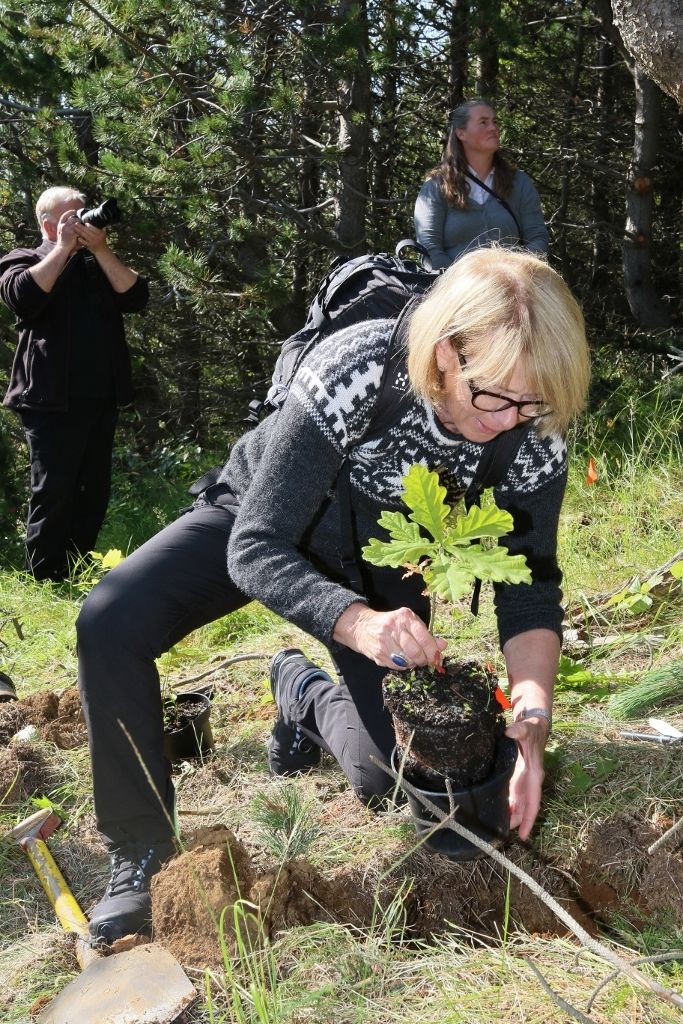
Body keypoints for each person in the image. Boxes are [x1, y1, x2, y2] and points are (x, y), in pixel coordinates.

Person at [76, 247, 590, 943]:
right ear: (446, 354)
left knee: (391, 774)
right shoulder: (358, 369)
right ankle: (139, 850)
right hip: (263, 517)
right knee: (110, 620)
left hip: (379, 559)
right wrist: (355, 625)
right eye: (494, 397)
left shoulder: (533, 431)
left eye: (530, 403)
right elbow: (255, 548)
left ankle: (303, 695)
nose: (509, 420)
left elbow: (529, 590)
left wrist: (531, 720)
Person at [0, 186, 149, 581]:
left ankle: (77, 570)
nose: (82, 223)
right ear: (48, 224)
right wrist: (63, 248)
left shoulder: (96, 264)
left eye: (84, 214)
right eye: (72, 217)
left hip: (100, 397)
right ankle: (44, 577)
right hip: (48, 399)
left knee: (93, 490)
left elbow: (136, 297)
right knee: (54, 490)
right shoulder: (24, 259)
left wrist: (101, 250)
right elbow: (22, 297)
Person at [414, 100, 549, 269]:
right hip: (455, 283)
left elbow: (537, 238)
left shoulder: (519, 183)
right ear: (461, 133)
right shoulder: (435, 187)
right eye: (483, 122)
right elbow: (429, 248)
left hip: (513, 281)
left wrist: (519, 274)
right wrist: (459, 281)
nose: (493, 128)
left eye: (494, 122)